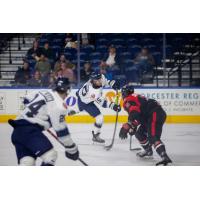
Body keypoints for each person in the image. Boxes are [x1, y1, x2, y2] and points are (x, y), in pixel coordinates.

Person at [8, 77, 79, 166]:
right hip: (29, 132)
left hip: (17, 132)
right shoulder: (60, 106)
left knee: (27, 162)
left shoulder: (43, 91)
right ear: (68, 90)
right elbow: (62, 131)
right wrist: (72, 149)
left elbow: (26, 100)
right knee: (50, 155)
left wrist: (40, 116)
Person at [119, 85, 172, 166]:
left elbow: (134, 111)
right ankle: (148, 150)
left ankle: (164, 156)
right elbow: (139, 115)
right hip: (150, 116)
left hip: (154, 114)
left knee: (153, 137)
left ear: (124, 93)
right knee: (139, 134)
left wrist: (129, 124)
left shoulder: (128, 99)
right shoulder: (136, 97)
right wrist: (133, 126)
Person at [74, 71, 121, 143]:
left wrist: (113, 84)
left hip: (85, 97)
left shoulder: (101, 77)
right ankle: (95, 136)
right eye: (97, 80)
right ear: (92, 81)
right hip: (85, 103)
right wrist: (113, 106)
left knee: (97, 117)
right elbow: (103, 103)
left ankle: (78, 110)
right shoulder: (93, 91)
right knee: (100, 118)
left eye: (99, 79)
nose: (100, 81)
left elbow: (106, 81)